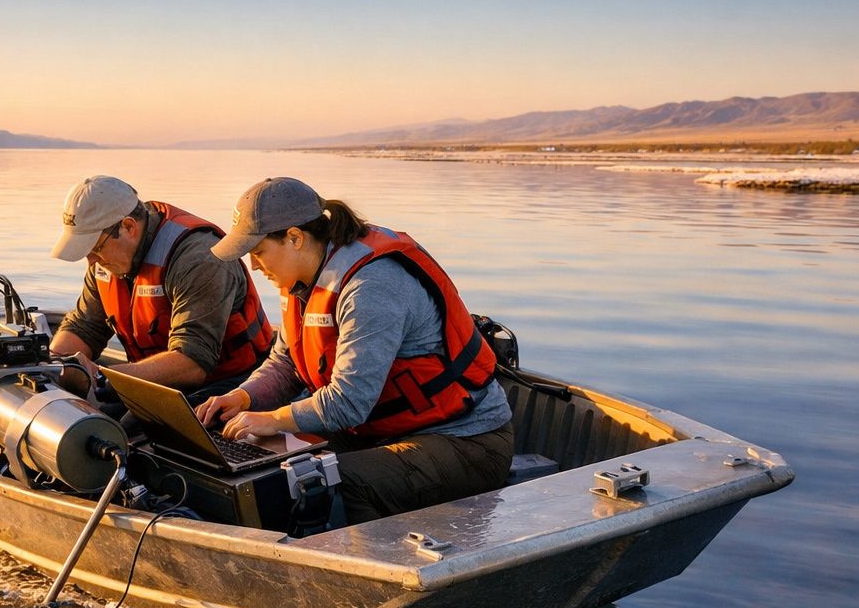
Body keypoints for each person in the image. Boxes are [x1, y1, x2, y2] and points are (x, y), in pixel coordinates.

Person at [197, 177, 514, 523]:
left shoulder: (370, 287)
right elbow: (285, 364)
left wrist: (272, 419)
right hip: (382, 431)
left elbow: (348, 403)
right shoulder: (301, 281)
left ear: (294, 238)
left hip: (466, 441)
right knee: (262, 462)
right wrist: (243, 399)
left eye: (258, 253)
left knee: (330, 484)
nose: (254, 267)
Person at [49, 175, 274, 401]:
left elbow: (192, 362)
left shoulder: (200, 259)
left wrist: (100, 376)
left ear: (128, 227)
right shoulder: (107, 261)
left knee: (124, 429)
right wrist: (51, 361)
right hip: (161, 383)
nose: (90, 261)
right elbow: (84, 327)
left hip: (232, 385)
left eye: (95, 247)